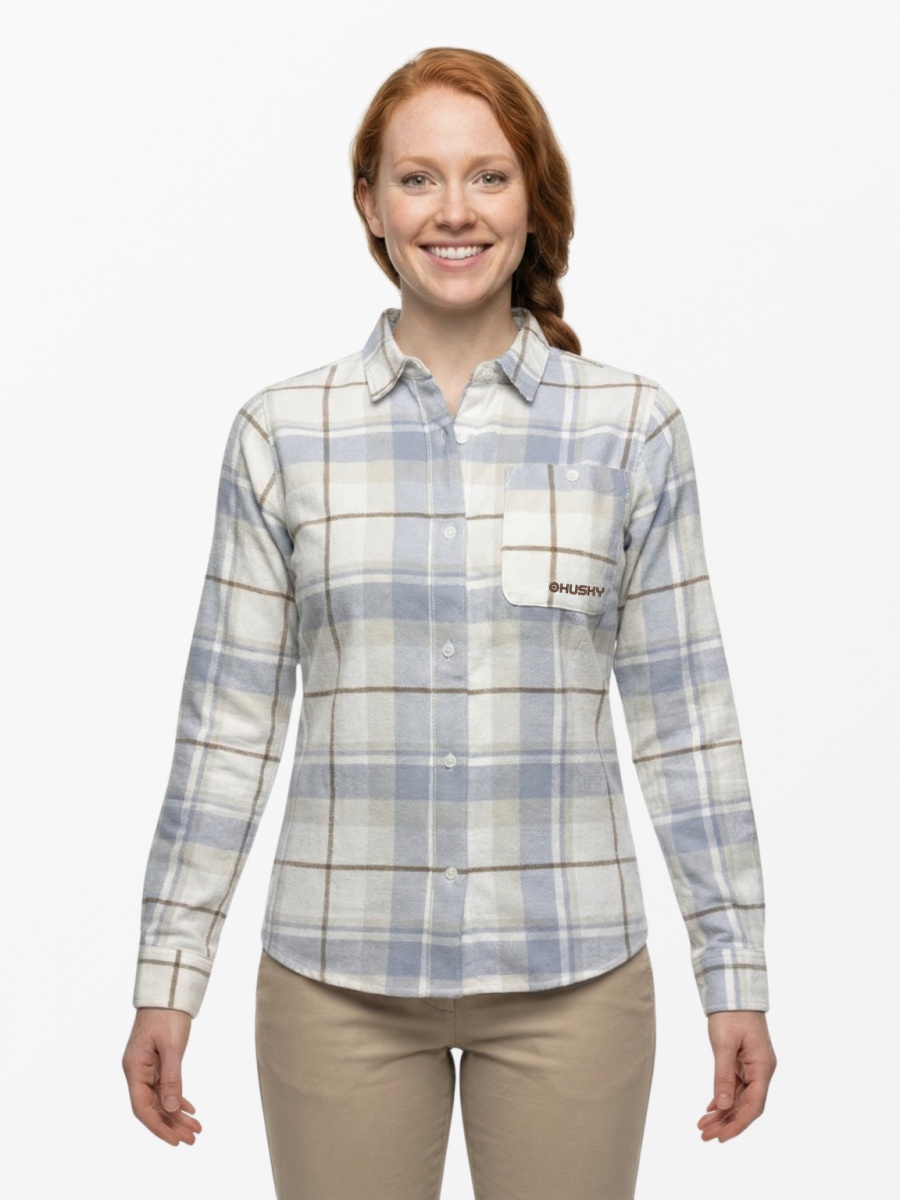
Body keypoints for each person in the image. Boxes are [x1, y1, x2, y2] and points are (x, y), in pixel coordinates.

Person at [123, 46, 776, 1200]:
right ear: (370, 204)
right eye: (418, 178)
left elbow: (685, 722)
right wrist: (168, 976)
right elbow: (227, 729)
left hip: (575, 978)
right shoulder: (284, 434)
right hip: (335, 981)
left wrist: (736, 974)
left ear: (533, 200)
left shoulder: (630, 428)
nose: (455, 211)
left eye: (489, 176)